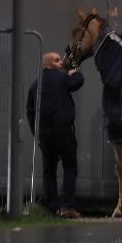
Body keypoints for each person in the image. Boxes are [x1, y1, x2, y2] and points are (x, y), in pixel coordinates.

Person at [26, 52, 84, 218]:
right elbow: (78, 82)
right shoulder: (62, 78)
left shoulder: (35, 85)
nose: (61, 63)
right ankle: (67, 206)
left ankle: (51, 207)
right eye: (57, 61)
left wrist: (35, 132)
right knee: (70, 167)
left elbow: (30, 111)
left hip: (45, 134)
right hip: (64, 131)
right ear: (49, 64)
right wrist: (75, 72)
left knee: (49, 171)